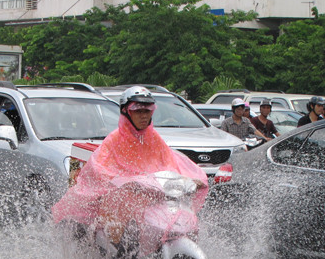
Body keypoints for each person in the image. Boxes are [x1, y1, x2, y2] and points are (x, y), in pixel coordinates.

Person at [52, 86, 208, 243]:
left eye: (147, 111)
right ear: (126, 111)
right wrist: (120, 181)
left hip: (149, 198)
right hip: (118, 201)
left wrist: (187, 179)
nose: (143, 116)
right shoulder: (114, 139)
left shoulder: (154, 139)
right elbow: (98, 167)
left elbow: (170, 164)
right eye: (138, 111)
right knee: (121, 238)